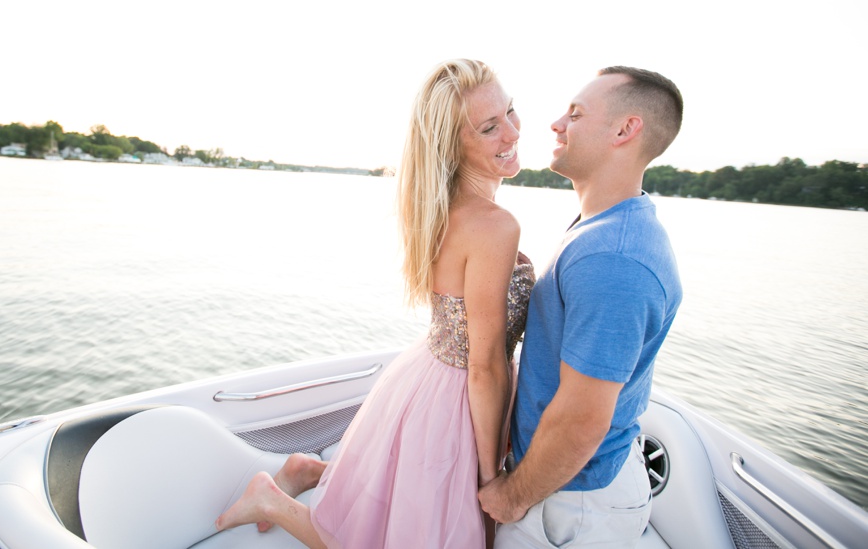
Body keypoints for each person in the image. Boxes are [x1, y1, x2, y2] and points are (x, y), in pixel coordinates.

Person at [214, 59, 536, 548]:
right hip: (457, 396)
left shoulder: (439, 205)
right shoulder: (494, 224)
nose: (512, 131)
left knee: (407, 501)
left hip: (428, 376)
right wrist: (491, 477)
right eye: (490, 127)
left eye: (511, 111)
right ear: (453, 146)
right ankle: (271, 500)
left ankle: (309, 470)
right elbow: (485, 366)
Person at [478, 66, 684, 548]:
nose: (555, 124)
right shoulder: (606, 227)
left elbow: (582, 419)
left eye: (575, 114)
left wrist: (511, 496)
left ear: (625, 129)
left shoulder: (614, 256)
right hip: (568, 487)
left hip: (570, 504)